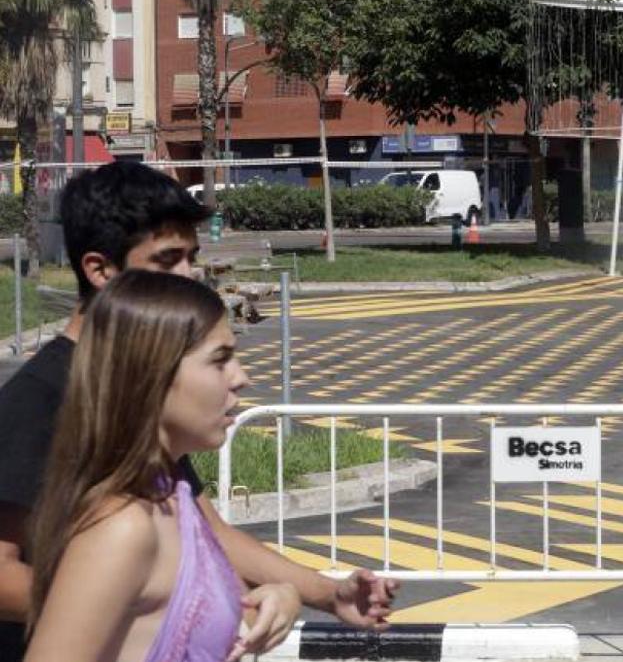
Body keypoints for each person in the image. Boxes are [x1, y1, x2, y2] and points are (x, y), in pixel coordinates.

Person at [0, 163, 396, 662]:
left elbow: (206, 534)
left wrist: (321, 592)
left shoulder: (152, 417)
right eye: (167, 260)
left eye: (192, 257)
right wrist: (126, 599)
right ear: (100, 271)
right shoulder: (38, 402)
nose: (189, 274)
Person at [24, 271, 281, 661]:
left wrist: (282, 597)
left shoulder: (172, 494)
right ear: (152, 376)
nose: (241, 378)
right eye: (220, 360)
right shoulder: (124, 528)